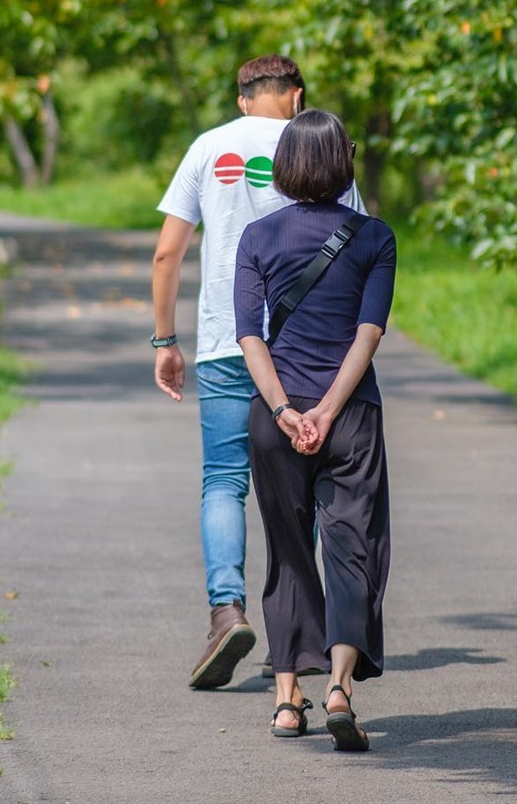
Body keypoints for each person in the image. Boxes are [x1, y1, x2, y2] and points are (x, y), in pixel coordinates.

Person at [151, 55, 364, 690]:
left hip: (224, 342)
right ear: (295, 97)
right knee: (310, 488)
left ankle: (227, 611)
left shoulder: (209, 147)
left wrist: (166, 339)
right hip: (302, 352)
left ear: (244, 99)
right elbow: (356, 243)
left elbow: (167, 252)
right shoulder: (322, 147)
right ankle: (314, 636)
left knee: (224, 481)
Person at [235, 110, 395, 751]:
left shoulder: (257, 236)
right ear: (343, 162)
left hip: (278, 418)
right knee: (352, 546)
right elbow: (369, 333)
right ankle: (338, 687)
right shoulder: (374, 237)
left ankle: (283, 701)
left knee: (288, 551)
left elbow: (249, 334)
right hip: (351, 415)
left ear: (285, 166)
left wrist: (284, 410)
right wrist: (329, 409)